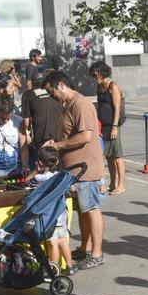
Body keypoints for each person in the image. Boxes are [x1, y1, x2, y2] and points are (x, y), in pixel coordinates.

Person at [43, 71, 107, 270]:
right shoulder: (68, 105)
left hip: (86, 170)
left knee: (91, 209)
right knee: (83, 211)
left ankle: (96, 253)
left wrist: (58, 146)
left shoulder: (81, 104)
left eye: (51, 91)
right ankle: (85, 247)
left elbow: (86, 136)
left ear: (61, 85)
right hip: (75, 171)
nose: (52, 96)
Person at [29, 145, 74, 275]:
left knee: (53, 243)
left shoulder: (40, 178)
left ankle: (54, 269)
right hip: (62, 213)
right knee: (63, 241)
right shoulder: (62, 176)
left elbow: (26, 182)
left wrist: (35, 170)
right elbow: (72, 189)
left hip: (49, 215)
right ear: (57, 161)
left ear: (40, 162)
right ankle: (69, 266)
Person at [89, 62, 126, 195]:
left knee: (117, 155)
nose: (94, 77)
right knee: (109, 156)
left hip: (112, 125)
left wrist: (115, 127)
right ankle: (112, 183)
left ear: (101, 73)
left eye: (95, 75)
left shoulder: (113, 87)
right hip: (103, 125)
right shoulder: (100, 87)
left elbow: (117, 108)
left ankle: (121, 184)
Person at [20, 68, 63, 170]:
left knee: (45, 167)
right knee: (59, 165)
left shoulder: (27, 95)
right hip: (60, 134)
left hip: (42, 135)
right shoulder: (54, 91)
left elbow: (26, 122)